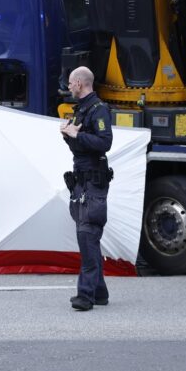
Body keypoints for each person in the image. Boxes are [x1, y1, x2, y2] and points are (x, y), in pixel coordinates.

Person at [60, 66, 113, 312]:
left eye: (71, 83)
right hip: (81, 182)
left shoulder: (97, 110)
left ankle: (86, 295)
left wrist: (76, 136)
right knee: (88, 234)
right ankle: (100, 292)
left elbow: (105, 142)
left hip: (93, 182)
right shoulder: (81, 110)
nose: (68, 87)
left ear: (80, 83)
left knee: (87, 234)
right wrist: (68, 135)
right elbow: (79, 146)